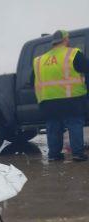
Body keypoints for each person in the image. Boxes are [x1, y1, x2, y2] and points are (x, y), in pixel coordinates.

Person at [33, 30, 89, 161]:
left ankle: (54, 155)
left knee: (53, 126)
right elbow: (87, 68)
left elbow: (32, 80)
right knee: (74, 124)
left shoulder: (40, 60)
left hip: (48, 100)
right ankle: (77, 154)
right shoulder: (73, 53)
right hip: (71, 98)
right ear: (65, 40)